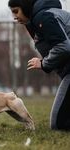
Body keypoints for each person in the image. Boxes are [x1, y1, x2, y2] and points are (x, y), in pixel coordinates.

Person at [8, 0, 70, 130]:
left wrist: (43, 63)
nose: (14, 16)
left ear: (25, 7)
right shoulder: (34, 22)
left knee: (58, 124)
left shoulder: (44, 17)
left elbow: (63, 47)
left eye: (16, 11)